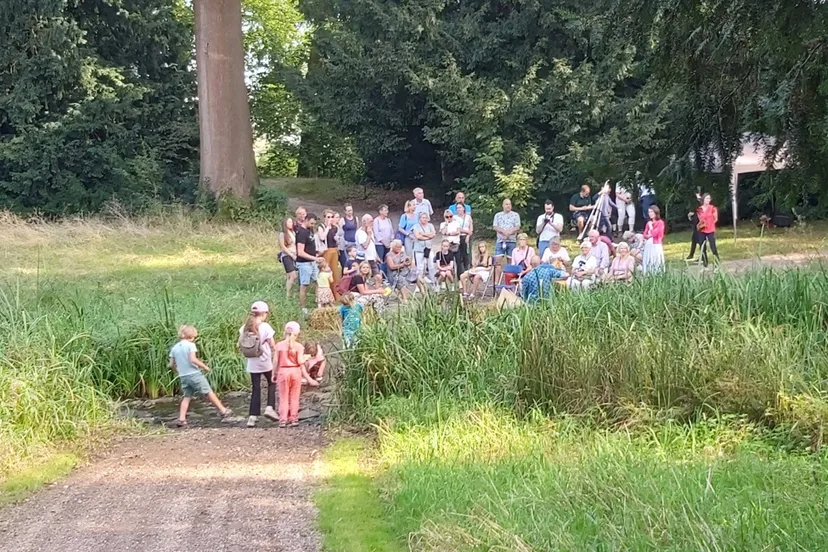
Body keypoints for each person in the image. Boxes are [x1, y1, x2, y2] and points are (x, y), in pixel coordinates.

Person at [169, 325, 233, 427]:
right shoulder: (190, 345)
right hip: (194, 374)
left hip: (183, 376)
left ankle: (182, 419)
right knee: (208, 392)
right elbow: (193, 359)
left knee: (186, 397)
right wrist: (205, 367)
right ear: (191, 337)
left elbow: (171, 364)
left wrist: (178, 371)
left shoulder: (174, 348)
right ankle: (223, 410)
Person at [239, 301, 278, 428]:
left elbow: (239, 344)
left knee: (256, 388)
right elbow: (272, 345)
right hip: (265, 361)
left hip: (252, 363)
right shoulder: (265, 327)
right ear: (264, 313)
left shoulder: (244, 327)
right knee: (272, 382)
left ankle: (252, 416)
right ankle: (269, 407)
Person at [273, 321, 305, 428]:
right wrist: (306, 358)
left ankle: (283, 420)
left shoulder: (279, 346)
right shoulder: (299, 346)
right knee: (294, 396)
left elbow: (275, 361)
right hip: (295, 372)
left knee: (283, 397)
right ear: (297, 333)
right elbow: (300, 361)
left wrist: (274, 373)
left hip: (283, 371)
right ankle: (294, 418)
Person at [295, 213, 321, 315]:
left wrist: (316, 252)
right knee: (304, 285)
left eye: (314, 224)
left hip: (313, 261)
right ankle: (303, 308)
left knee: (317, 281)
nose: (313, 225)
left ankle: (319, 304)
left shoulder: (309, 230)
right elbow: (300, 252)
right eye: (311, 223)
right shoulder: (301, 232)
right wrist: (314, 258)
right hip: (304, 263)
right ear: (306, 220)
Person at [492, 198, 521, 283]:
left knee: (510, 262)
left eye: (509, 204)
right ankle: (496, 283)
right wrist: (503, 232)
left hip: (511, 241)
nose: (508, 206)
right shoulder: (498, 215)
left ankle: (508, 282)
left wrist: (509, 233)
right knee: (497, 262)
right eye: (506, 204)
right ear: (503, 205)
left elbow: (517, 226)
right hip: (500, 241)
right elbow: (495, 226)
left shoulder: (515, 215)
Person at [355, 213, 383, 286]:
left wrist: (376, 256)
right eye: (370, 221)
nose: (372, 223)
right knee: (365, 278)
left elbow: (372, 244)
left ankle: (377, 291)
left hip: (372, 258)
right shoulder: (360, 233)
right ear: (364, 222)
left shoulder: (370, 230)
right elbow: (365, 245)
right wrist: (369, 235)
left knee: (378, 276)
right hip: (364, 259)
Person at [696, 193, 720, 267]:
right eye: (706, 198)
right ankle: (705, 263)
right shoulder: (699, 209)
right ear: (703, 199)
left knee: (713, 246)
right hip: (702, 229)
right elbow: (700, 218)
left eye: (709, 198)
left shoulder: (713, 208)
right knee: (702, 247)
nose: (708, 200)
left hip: (710, 229)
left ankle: (717, 263)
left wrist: (710, 223)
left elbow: (715, 218)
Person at [642, 206, 665, 273]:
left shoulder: (660, 223)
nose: (650, 213)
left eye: (651, 212)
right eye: (649, 212)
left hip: (656, 244)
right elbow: (644, 234)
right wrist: (648, 235)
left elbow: (655, 234)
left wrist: (651, 227)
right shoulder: (648, 223)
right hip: (648, 244)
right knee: (648, 258)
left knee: (655, 259)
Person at [413, 212, 436, 280]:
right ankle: (419, 284)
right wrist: (428, 236)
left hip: (428, 248)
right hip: (419, 249)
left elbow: (433, 234)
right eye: (423, 218)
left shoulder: (430, 225)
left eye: (426, 218)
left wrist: (423, 234)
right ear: (420, 219)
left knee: (431, 265)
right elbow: (418, 236)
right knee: (420, 267)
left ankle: (434, 281)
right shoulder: (416, 226)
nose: (425, 219)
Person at [321, 211, 341, 290]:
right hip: (326, 250)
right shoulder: (322, 226)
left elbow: (336, 239)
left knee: (335, 272)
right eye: (328, 217)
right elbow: (322, 237)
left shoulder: (335, 227)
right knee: (326, 270)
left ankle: (335, 292)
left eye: (332, 217)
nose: (330, 219)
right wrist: (328, 227)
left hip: (334, 250)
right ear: (324, 218)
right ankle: (326, 291)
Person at [279, 217, 298, 298]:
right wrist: (291, 255)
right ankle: (288, 294)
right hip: (287, 256)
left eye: (292, 222)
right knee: (293, 275)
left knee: (290, 276)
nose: (292, 223)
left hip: (295, 254)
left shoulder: (293, 232)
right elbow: (283, 247)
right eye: (289, 222)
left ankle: (290, 292)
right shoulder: (282, 234)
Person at [373, 205, 394, 275]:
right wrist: (384, 242)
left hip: (388, 243)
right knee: (380, 259)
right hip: (380, 244)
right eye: (385, 210)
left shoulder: (388, 220)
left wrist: (391, 240)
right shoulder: (376, 221)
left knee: (387, 258)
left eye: (387, 210)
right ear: (380, 211)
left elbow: (391, 231)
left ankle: (386, 274)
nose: (387, 212)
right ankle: (380, 275)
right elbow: (376, 233)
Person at [455, 203, 473, 277]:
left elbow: (471, 228)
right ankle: (460, 274)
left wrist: (468, 235)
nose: (459, 209)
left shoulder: (468, 217)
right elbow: (457, 229)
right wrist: (466, 231)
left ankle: (467, 272)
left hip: (467, 237)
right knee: (459, 256)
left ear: (463, 208)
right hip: (458, 237)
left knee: (467, 255)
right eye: (457, 208)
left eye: (460, 207)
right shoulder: (454, 218)